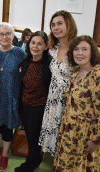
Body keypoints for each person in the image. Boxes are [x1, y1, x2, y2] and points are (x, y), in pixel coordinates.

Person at [53, 35, 100, 171]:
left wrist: (97, 140)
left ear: (92, 52)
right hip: (69, 132)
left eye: (84, 49)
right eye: (76, 49)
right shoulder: (76, 72)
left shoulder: (98, 74)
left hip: (86, 136)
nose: (79, 53)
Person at [38, 10, 77, 156]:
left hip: (70, 101)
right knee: (55, 138)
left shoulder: (77, 48)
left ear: (69, 24)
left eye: (60, 23)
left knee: (67, 138)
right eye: (53, 25)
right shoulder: (54, 48)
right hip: (53, 100)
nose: (55, 28)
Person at [0, 22, 26, 171]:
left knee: (7, 127)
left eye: (8, 34)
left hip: (11, 95)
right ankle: (1, 146)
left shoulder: (20, 53)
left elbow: (27, 72)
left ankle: (5, 155)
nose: (4, 37)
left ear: (13, 36)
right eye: (1, 34)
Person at [15, 31, 52, 172]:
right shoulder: (25, 61)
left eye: (40, 44)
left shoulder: (49, 64)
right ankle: (36, 158)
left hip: (38, 108)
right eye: (33, 42)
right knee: (31, 135)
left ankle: (30, 164)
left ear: (46, 46)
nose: (35, 46)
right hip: (24, 106)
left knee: (33, 138)